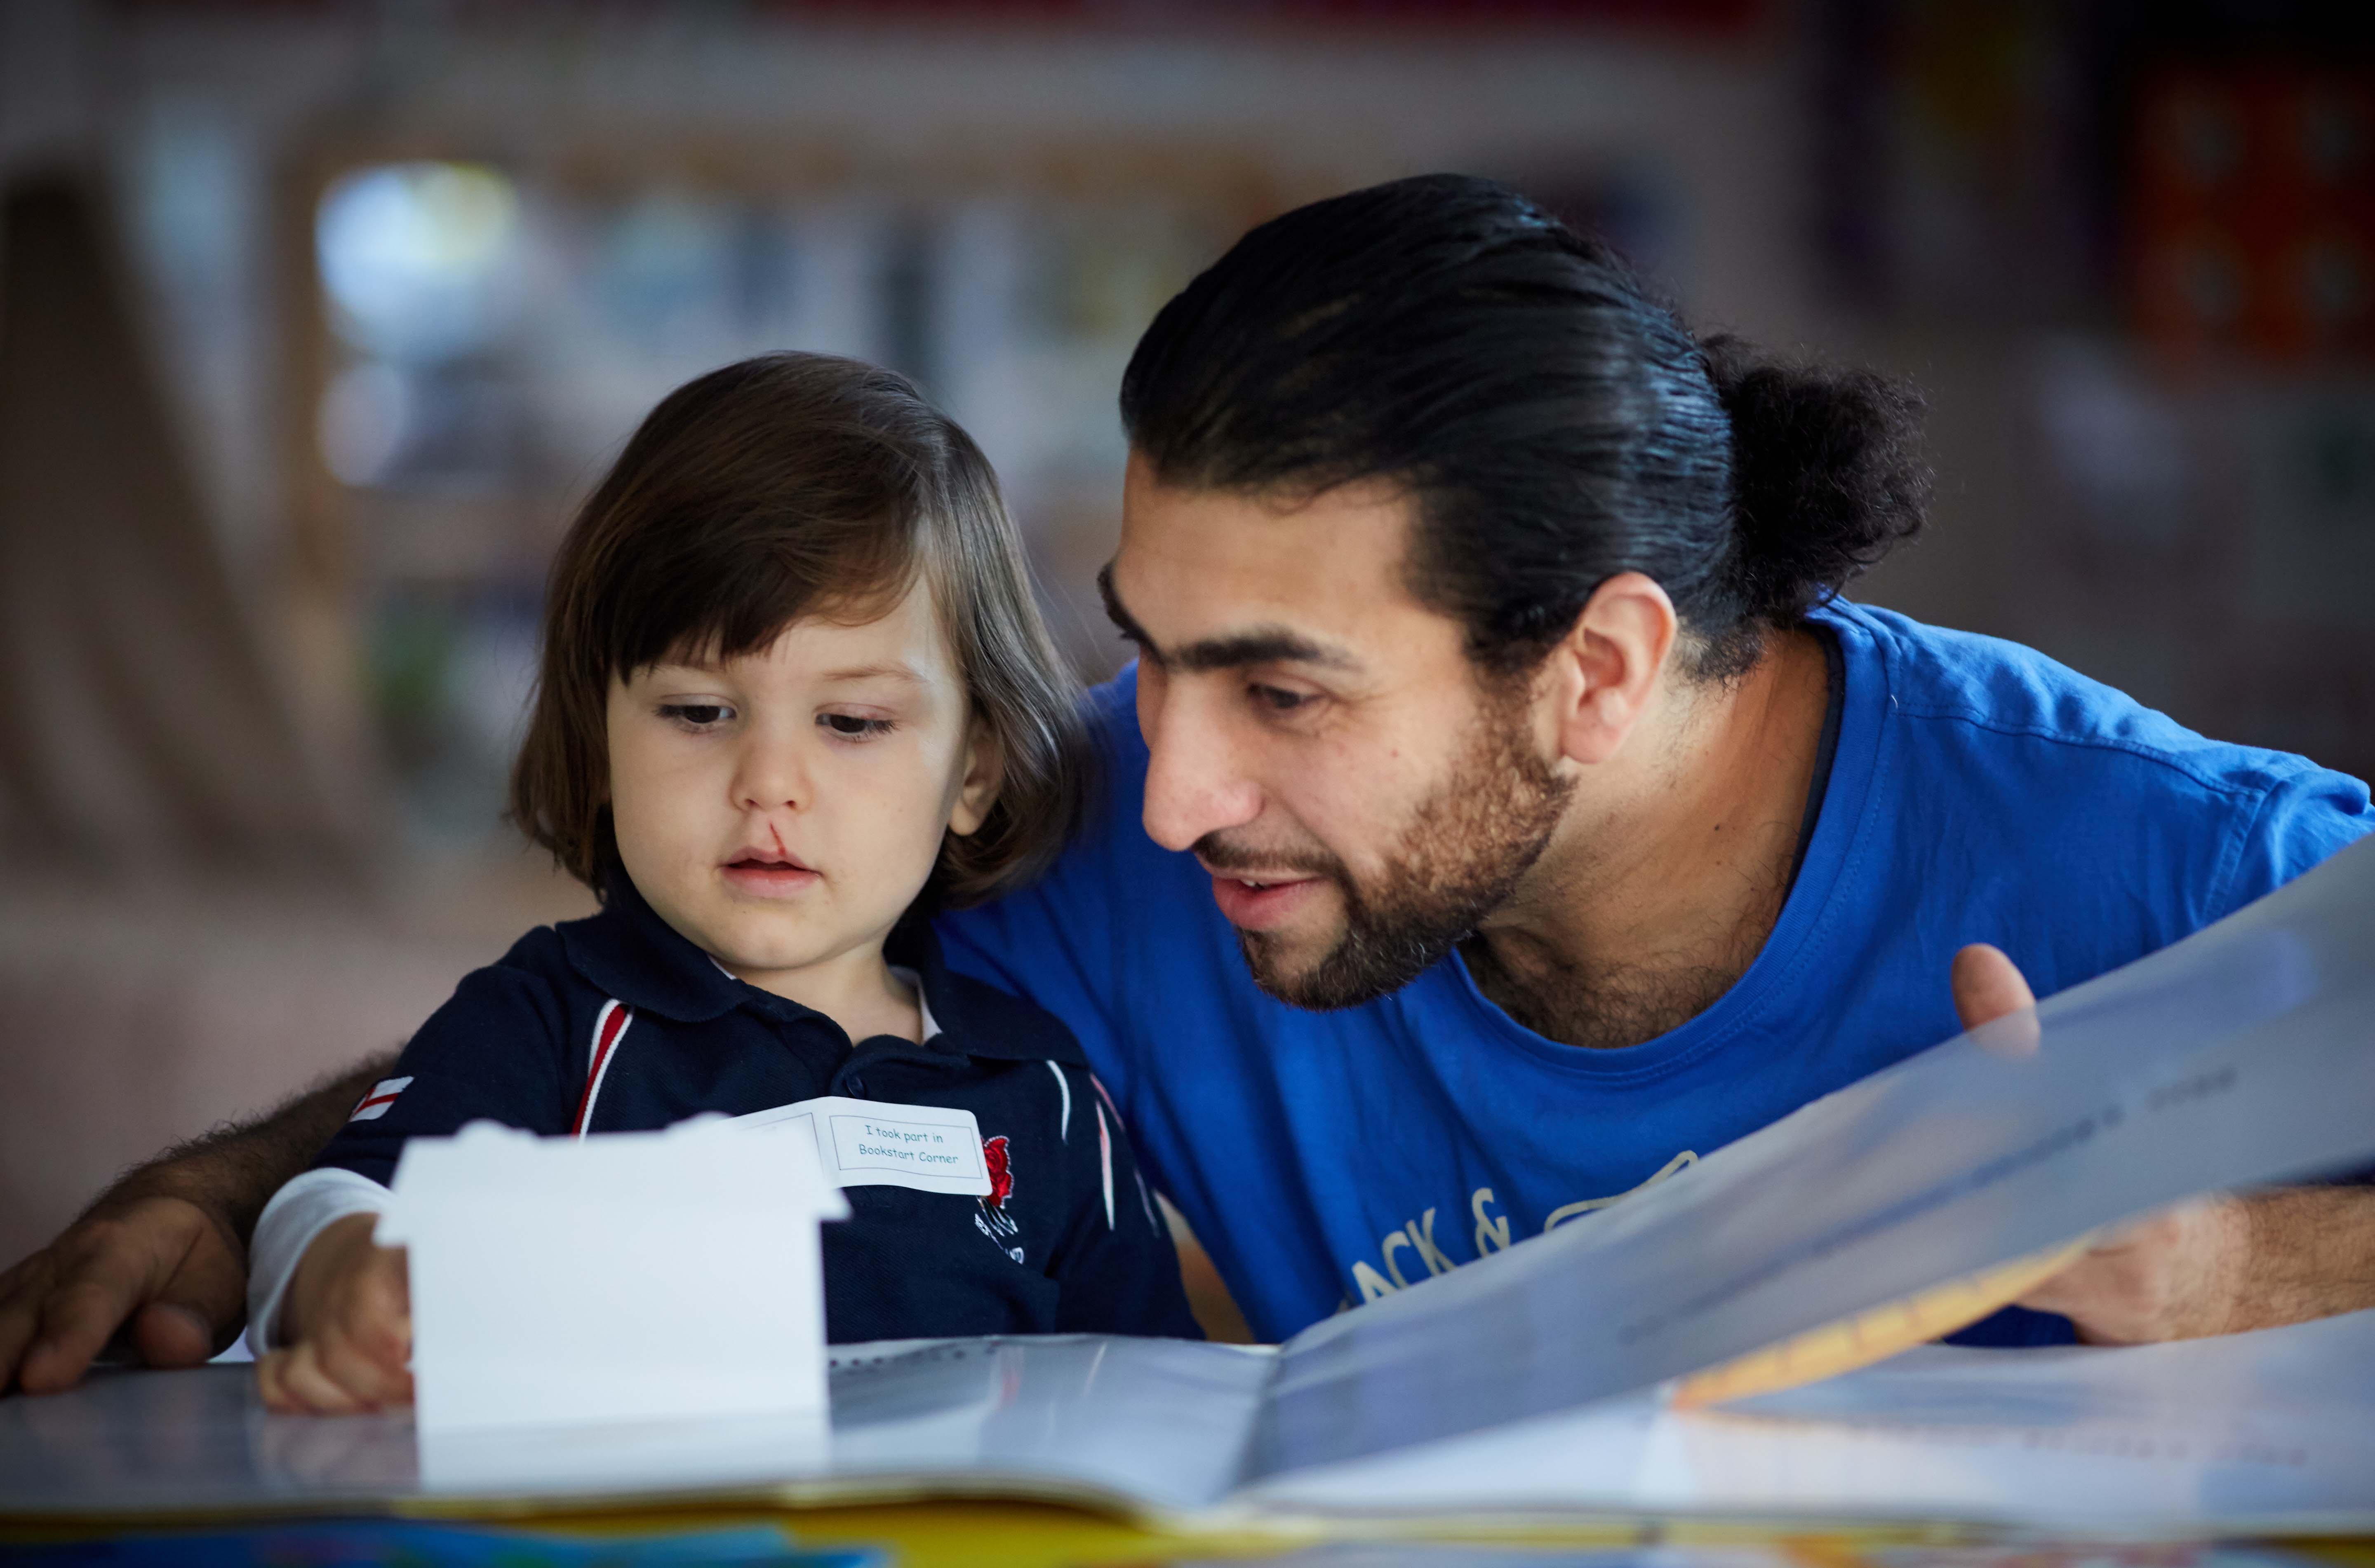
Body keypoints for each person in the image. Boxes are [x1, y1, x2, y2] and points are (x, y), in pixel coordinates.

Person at [5, 176, 2371, 1392]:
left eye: (1286, 691)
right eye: (1151, 657)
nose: (1161, 788)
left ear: (1598, 667)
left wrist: (2242, 1261)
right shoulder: (1142, 843)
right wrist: (245, 1187)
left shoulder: (2153, 855)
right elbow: (687, 989)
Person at [246, 352, 1195, 1412]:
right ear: (599, 741)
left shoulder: (1047, 1093)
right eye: (700, 713)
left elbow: (1160, 1400)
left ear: (972, 771)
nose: (770, 785)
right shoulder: (552, 1022)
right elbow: (328, 1196)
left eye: (852, 723)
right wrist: (347, 1274)